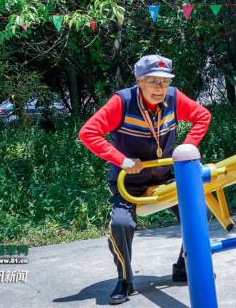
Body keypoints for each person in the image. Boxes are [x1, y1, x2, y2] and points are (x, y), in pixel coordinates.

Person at [79, 55, 211, 305]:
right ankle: (125, 279)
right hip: (128, 181)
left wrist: (185, 151)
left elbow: (202, 116)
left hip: (165, 175)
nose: (160, 88)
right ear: (139, 81)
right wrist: (121, 160)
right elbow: (88, 133)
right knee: (121, 224)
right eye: (153, 81)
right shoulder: (122, 101)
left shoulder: (173, 97)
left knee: (201, 212)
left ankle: (184, 265)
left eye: (165, 81)